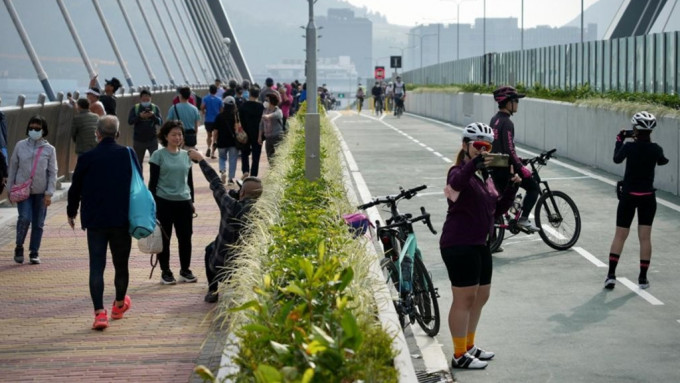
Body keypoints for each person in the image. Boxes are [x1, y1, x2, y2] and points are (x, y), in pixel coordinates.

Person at [440, 123, 519, 370]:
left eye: (488, 146)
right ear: (465, 145)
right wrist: (474, 163)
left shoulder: (485, 177)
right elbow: (458, 181)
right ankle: (458, 354)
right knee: (463, 299)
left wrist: (513, 187)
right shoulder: (457, 171)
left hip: (480, 244)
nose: (483, 150)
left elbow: (495, 210)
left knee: (480, 296)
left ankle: (470, 345)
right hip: (459, 243)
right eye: (478, 146)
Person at [67, 115, 137, 330]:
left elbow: (75, 188)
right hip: (121, 219)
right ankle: (118, 306)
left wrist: (72, 212)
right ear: (117, 134)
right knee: (121, 264)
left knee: (97, 266)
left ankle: (99, 314)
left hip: (95, 220)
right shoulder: (128, 154)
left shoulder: (87, 157)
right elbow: (138, 185)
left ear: (96, 133)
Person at [604, 111, 669, 290]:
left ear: (635, 129)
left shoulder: (629, 147)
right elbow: (663, 161)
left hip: (629, 196)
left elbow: (617, 159)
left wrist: (620, 139)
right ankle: (642, 278)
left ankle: (611, 275)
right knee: (645, 237)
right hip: (648, 197)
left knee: (620, 235)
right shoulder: (656, 149)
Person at [188, 149, 262, 303]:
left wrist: (201, 159)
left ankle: (213, 290)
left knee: (210, 249)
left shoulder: (229, 205)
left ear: (241, 193)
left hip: (221, 263)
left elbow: (216, 182)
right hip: (248, 266)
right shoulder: (263, 212)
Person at [148, 120, 196, 285]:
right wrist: (152, 205)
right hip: (163, 202)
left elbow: (189, 181)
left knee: (185, 238)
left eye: (180, 134)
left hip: (184, 202)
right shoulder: (158, 156)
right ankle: (165, 272)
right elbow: (152, 183)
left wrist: (192, 202)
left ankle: (185, 270)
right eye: (174, 134)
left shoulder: (186, 155)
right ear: (165, 136)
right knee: (164, 239)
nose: (177, 137)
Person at [8, 115, 58, 265]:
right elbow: (13, 168)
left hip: (41, 192)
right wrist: (10, 189)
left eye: (37, 128)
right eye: (31, 128)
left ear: (43, 130)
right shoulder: (20, 146)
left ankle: (34, 252)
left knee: (38, 223)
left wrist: (49, 193)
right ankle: (19, 246)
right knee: (24, 218)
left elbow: (52, 172)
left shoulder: (50, 149)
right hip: (22, 191)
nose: (33, 130)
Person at [489, 86, 540, 231]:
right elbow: (509, 149)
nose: (517, 103)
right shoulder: (508, 123)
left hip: (495, 167)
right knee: (533, 187)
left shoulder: (495, 120)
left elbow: (498, 146)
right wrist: (522, 168)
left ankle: (493, 240)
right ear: (507, 102)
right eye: (516, 100)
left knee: (501, 202)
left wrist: (518, 159)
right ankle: (523, 219)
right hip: (505, 169)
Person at [127, 89, 162, 169]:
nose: (146, 101)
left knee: (155, 162)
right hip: (138, 140)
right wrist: (140, 117)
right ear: (140, 99)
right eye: (144, 100)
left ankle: (154, 180)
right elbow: (130, 121)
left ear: (151, 99)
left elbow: (160, 122)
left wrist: (153, 116)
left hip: (152, 139)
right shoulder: (135, 108)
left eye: (148, 100)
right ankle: (140, 180)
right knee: (138, 163)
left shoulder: (154, 108)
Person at [239, 87, 265, 177]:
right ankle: (253, 175)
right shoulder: (261, 107)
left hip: (245, 133)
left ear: (250, 94)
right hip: (258, 134)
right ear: (258, 95)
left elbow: (240, 120)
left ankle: (245, 170)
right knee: (256, 156)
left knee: (244, 153)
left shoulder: (243, 106)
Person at [213, 96, 239, 184]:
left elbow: (215, 131)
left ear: (224, 105)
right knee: (232, 160)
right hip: (233, 142)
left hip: (221, 141)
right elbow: (238, 129)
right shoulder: (236, 117)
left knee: (222, 157)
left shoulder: (219, 116)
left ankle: (223, 171)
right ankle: (231, 179)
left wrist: (214, 142)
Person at [258, 93, 285, 165]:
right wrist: (260, 136)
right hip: (268, 137)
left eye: (267, 100)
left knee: (279, 156)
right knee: (270, 157)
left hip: (277, 136)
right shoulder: (265, 111)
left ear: (272, 101)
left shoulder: (278, 111)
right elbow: (261, 124)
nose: (265, 102)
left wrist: (268, 116)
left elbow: (275, 115)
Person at [201, 84, 223, 158]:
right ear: (216, 91)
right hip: (217, 120)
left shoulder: (205, 98)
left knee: (209, 135)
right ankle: (213, 153)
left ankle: (208, 148)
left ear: (209, 90)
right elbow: (221, 110)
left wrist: (204, 112)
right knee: (215, 137)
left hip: (208, 120)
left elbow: (202, 107)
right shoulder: (219, 99)